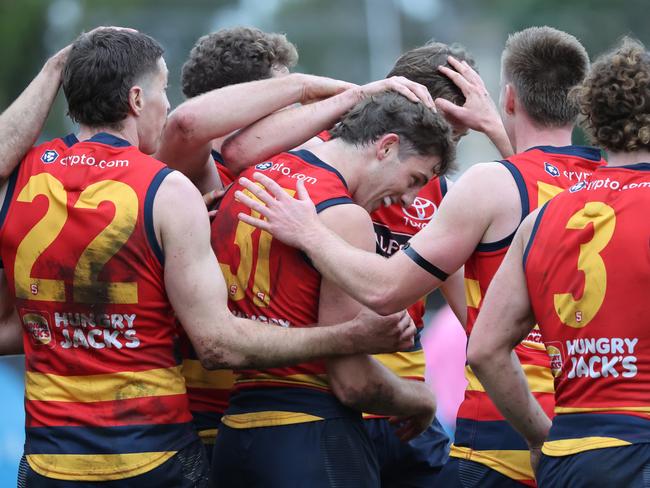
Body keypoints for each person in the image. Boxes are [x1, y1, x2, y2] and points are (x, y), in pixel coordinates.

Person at [0, 28, 417, 486]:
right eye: (163, 91)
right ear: (138, 99)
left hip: (49, 456)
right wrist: (346, 337)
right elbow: (218, 345)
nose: (169, 104)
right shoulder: (169, 184)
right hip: (160, 447)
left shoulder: (25, 178)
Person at [235, 26, 605, 486]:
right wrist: (352, 95)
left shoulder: (446, 191)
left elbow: (537, 211)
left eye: (458, 140)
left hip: (407, 410)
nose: (445, 156)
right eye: (444, 134)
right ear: (398, 122)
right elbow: (235, 151)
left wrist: (495, 126)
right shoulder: (325, 164)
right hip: (343, 400)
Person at [210, 91, 454, 487]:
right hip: (312, 437)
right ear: (386, 147)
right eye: (414, 179)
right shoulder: (343, 215)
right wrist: (421, 401)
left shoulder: (252, 181)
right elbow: (353, 382)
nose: (410, 199)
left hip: (236, 436)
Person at [467, 38, 650, 488]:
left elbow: (484, 350)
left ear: (593, 119)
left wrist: (539, 437)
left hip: (570, 458)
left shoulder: (541, 219)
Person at [158, 25, 300, 460]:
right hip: (198, 418)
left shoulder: (287, 172)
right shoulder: (190, 173)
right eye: (281, 97)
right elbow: (185, 127)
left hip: (275, 412)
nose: (291, 109)